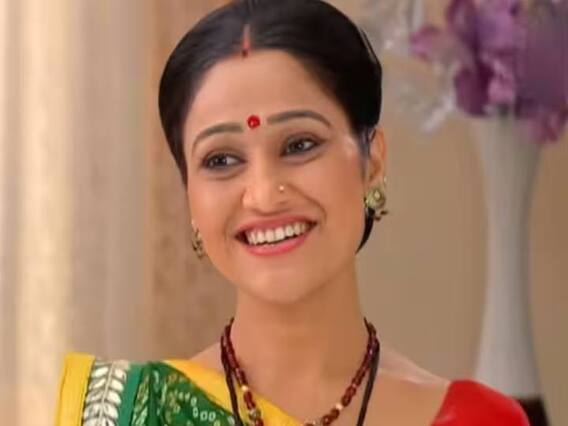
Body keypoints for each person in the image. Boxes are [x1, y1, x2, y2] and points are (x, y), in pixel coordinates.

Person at [56, 0, 530, 425]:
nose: (264, 195)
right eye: (221, 160)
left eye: (300, 145)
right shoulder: (129, 413)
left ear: (372, 163)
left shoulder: (474, 420)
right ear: (190, 196)